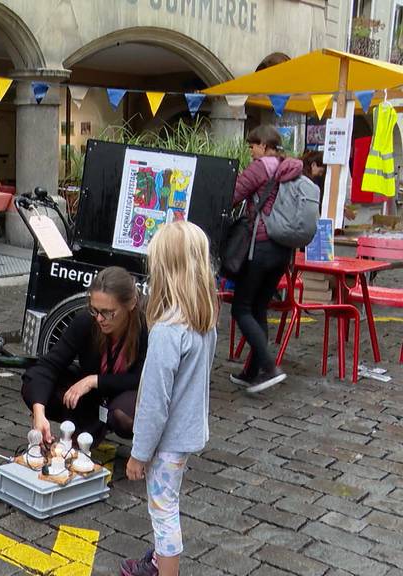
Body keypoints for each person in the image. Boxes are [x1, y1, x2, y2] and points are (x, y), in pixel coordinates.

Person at [122, 220, 217, 576]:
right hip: (188, 431)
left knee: (163, 511)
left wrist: (138, 454)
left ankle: (167, 568)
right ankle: (160, 561)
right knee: (168, 502)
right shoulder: (203, 321)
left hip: (168, 439)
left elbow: (154, 402)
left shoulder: (166, 331)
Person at [21, 266, 148, 443]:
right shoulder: (87, 320)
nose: (100, 319)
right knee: (33, 385)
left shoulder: (145, 328)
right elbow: (49, 365)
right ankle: (84, 427)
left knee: (123, 417)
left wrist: (94, 381)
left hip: (126, 393)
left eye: (108, 312)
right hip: (91, 400)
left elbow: (140, 378)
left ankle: (140, 448)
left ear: (131, 304)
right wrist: (39, 413)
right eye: (95, 309)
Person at [229, 125, 301, 393]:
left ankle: (270, 367)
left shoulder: (262, 167)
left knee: (241, 309)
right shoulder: (290, 168)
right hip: (283, 249)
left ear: (263, 145)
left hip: (259, 246)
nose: (250, 151)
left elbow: (233, 194)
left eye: (252, 146)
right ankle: (252, 371)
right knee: (258, 308)